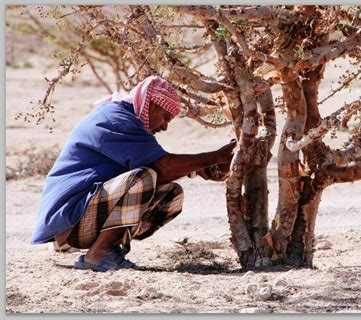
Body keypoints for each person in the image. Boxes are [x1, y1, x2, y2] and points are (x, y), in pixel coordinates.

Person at [31, 75, 236, 272]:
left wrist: (197, 169)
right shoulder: (115, 119)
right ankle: (100, 254)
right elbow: (160, 168)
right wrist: (215, 157)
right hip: (70, 220)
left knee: (170, 193)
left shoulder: (122, 116)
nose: (164, 125)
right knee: (142, 178)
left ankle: (107, 248)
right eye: (165, 117)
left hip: (79, 219)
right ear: (151, 105)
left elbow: (159, 170)